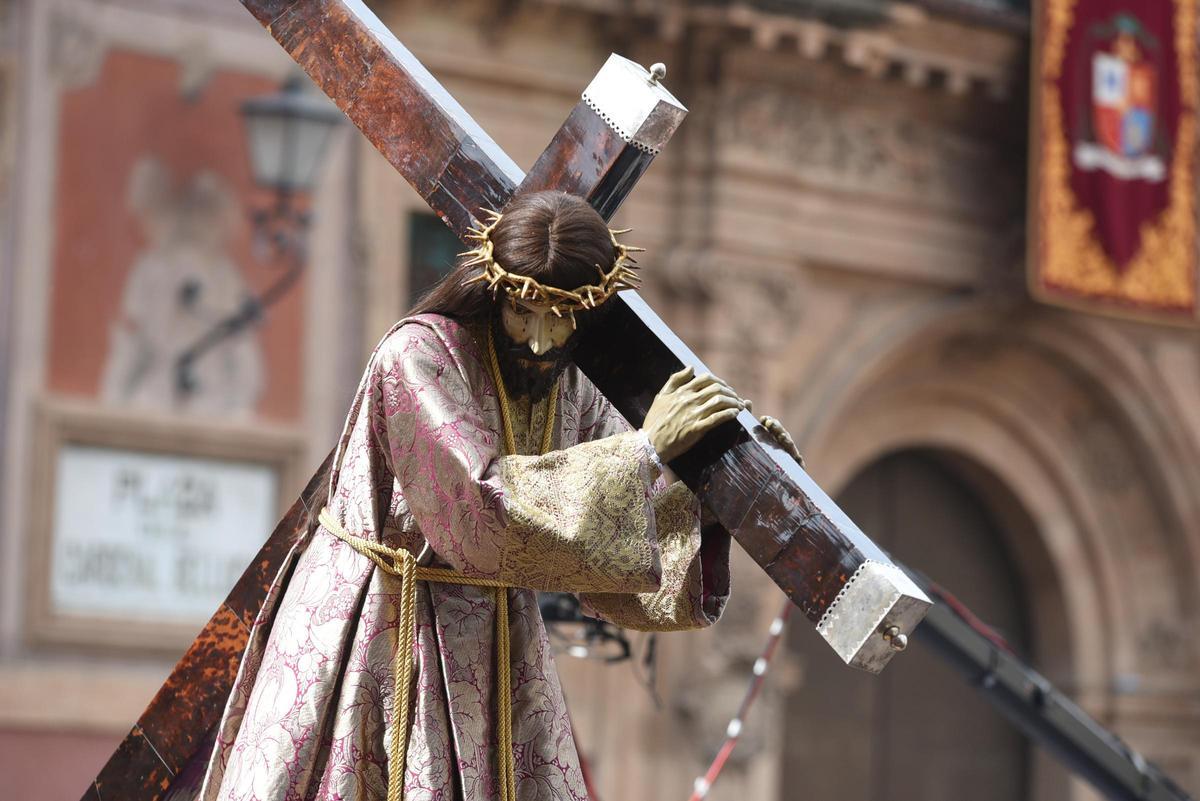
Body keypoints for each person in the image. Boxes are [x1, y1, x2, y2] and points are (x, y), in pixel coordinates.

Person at [193, 190, 800, 801]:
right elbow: (481, 512)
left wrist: (721, 489)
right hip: (384, 628)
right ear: (495, 289)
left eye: (560, 318)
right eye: (524, 312)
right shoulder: (418, 355)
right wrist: (645, 451)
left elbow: (617, 538)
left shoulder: (575, 388)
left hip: (501, 649)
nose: (538, 341)